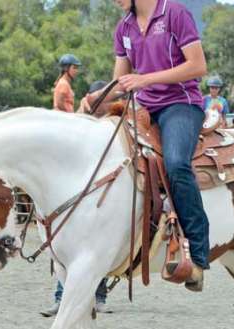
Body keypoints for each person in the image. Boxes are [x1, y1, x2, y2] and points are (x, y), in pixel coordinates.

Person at [84, 0, 210, 291]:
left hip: (180, 105)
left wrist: (145, 79)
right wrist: (96, 99)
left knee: (177, 164)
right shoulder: (124, 27)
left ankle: (198, 256)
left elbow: (197, 65)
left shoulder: (175, 13)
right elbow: (120, 80)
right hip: (143, 107)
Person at [41, 75, 112, 317]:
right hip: (79, 197)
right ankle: (62, 299)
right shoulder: (82, 124)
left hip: (103, 198)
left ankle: (98, 296)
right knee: (66, 253)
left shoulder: (113, 125)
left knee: (95, 252)